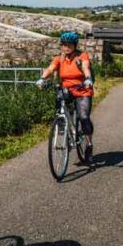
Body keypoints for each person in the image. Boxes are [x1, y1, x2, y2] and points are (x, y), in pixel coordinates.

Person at [35, 31, 96, 163]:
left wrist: (87, 78)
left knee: (84, 117)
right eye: (64, 45)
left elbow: (86, 67)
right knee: (60, 104)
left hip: (83, 90)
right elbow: (50, 69)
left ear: (75, 46)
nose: (66, 47)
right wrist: (42, 78)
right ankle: (63, 126)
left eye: (69, 45)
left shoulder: (81, 56)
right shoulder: (59, 59)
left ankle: (89, 145)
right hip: (67, 90)